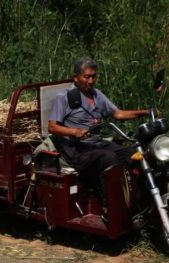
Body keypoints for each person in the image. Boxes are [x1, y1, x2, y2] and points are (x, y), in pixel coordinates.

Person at [48, 58, 152, 221]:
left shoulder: (96, 94)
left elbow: (118, 114)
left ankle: (136, 199)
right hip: (76, 149)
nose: (91, 81)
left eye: (94, 77)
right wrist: (74, 131)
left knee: (134, 154)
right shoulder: (65, 97)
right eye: (86, 77)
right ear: (75, 77)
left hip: (97, 144)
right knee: (108, 157)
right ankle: (109, 208)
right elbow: (52, 127)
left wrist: (146, 112)